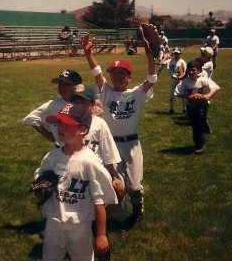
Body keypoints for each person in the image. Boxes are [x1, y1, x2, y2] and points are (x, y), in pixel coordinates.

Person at [80, 30, 158, 229]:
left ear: (129, 77)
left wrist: (150, 56)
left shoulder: (137, 93)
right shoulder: (105, 91)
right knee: (117, 184)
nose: (117, 76)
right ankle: (120, 220)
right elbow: (97, 73)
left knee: (133, 186)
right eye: (114, 73)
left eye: (122, 73)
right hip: (111, 145)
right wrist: (89, 55)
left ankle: (138, 205)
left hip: (132, 145)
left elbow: (151, 79)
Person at [34, 103, 118, 260]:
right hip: (53, 223)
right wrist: (39, 187)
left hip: (79, 226)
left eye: (67, 124)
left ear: (83, 130)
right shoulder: (52, 156)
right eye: (59, 123)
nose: (61, 128)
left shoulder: (89, 162)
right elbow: (40, 176)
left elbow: (99, 202)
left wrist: (101, 235)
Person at [70, 84, 126, 225]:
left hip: (96, 174)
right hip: (75, 174)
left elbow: (108, 153)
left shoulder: (99, 124)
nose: (79, 106)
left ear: (93, 104)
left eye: (83, 102)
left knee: (98, 207)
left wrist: (111, 176)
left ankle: (100, 233)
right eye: (75, 102)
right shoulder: (68, 123)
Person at [23, 69, 82, 147]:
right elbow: (31, 118)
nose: (61, 87)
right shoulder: (53, 105)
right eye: (60, 84)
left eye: (66, 84)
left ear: (77, 86)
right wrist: (48, 135)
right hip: (62, 150)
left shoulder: (85, 103)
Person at [174, 60, 220, 153]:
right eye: (189, 70)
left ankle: (201, 139)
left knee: (200, 122)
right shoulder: (185, 82)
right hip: (192, 106)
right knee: (195, 125)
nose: (191, 72)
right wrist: (188, 97)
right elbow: (178, 93)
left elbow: (214, 88)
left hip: (203, 105)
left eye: (193, 70)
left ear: (198, 70)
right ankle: (199, 145)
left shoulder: (203, 80)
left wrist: (206, 96)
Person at [157, 47, 187, 114]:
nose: (176, 55)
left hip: (180, 80)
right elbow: (161, 63)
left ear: (180, 54)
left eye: (177, 53)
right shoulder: (170, 61)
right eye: (175, 53)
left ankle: (184, 108)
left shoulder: (182, 61)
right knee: (171, 95)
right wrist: (166, 57)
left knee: (182, 94)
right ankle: (171, 109)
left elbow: (186, 71)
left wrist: (180, 77)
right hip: (173, 79)